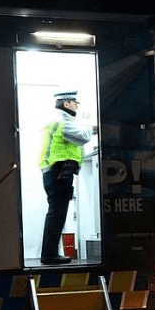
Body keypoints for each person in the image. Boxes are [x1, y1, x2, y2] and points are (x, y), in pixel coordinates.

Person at [39, 89, 94, 265]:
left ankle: (50, 253)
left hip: (58, 171)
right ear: (66, 103)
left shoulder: (60, 121)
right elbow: (84, 136)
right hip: (59, 171)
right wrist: (89, 124)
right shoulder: (62, 122)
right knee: (57, 214)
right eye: (75, 103)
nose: (77, 106)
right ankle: (49, 254)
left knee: (57, 213)